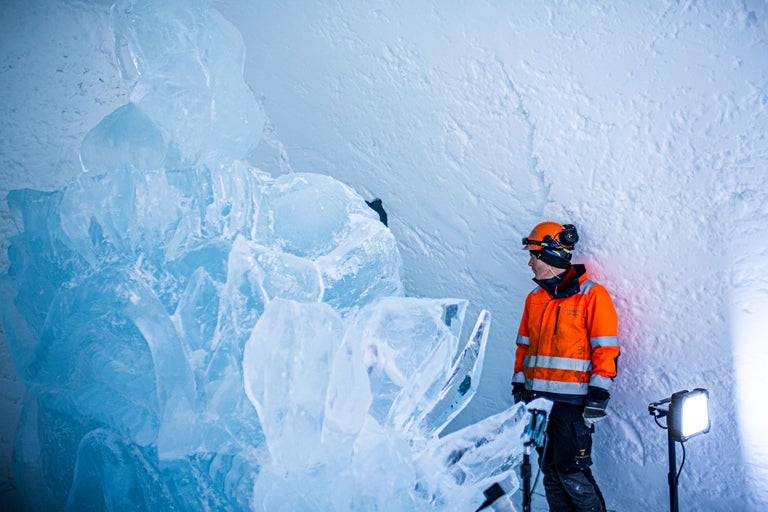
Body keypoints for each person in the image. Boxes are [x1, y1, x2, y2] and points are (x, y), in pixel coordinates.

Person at [511, 221, 620, 512]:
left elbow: (606, 348)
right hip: (537, 403)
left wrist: (598, 396)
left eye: (534, 255)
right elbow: (524, 346)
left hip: (571, 405)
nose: (530, 262)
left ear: (551, 256)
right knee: (549, 472)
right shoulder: (534, 299)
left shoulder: (592, 296)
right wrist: (519, 385)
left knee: (572, 472)